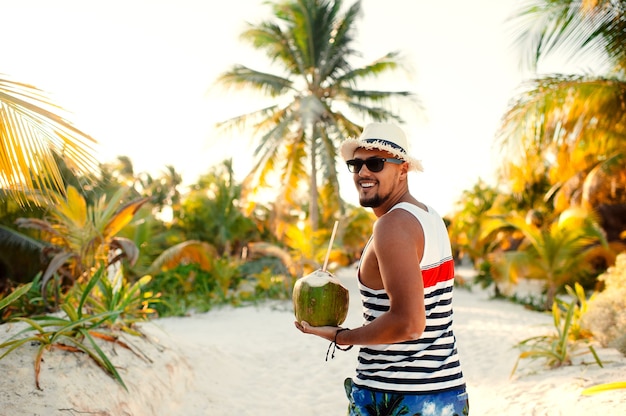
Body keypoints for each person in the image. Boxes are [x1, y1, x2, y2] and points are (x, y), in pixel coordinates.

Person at [295, 122, 469, 415]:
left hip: (396, 396)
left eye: (376, 163)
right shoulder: (431, 218)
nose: (363, 172)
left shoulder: (392, 225)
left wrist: (341, 336)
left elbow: (410, 323)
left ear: (402, 169)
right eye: (356, 164)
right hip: (446, 394)